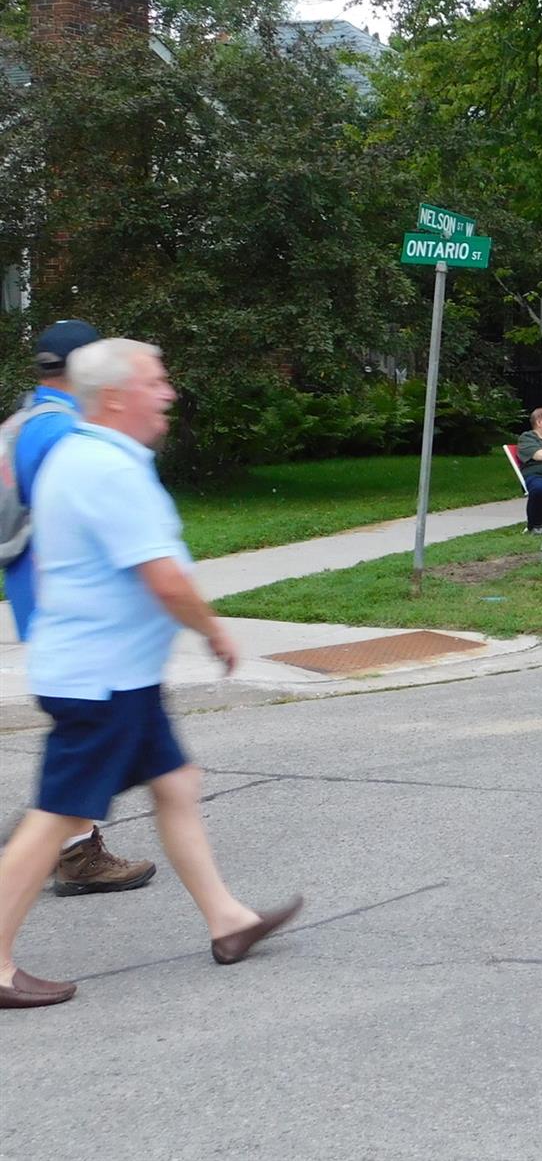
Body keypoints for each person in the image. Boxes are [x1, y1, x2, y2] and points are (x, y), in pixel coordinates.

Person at [0, 339, 303, 1009]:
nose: (168, 392)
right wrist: (214, 629)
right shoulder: (107, 468)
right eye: (155, 381)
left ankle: (228, 920)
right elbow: (163, 576)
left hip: (116, 673)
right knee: (56, 816)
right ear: (115, 397)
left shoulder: (89, 456)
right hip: (98, 678)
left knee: (175, 782)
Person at [1, 320, 154, 897]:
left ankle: (57, 834)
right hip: (72, 605)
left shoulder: (24, 421)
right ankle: (62, 844)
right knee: (90, 730)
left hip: (38, 595)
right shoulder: (64, 431)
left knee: (93, 730)